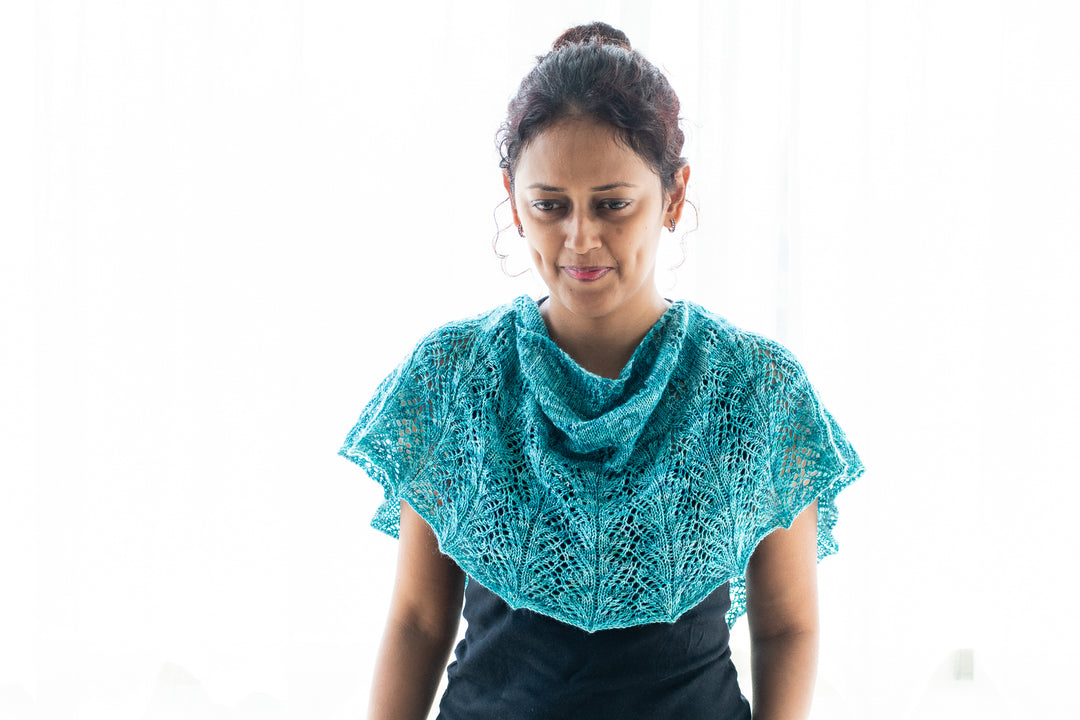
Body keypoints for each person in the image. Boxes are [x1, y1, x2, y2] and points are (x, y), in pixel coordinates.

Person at [339, 22, 863, 720]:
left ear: (674, 195)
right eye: (549, 206)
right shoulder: (454, 374)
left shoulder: (756, 387)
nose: (579, 239)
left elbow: (786, 625)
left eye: (613, 205)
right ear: (512, 199)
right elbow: (417, 621)